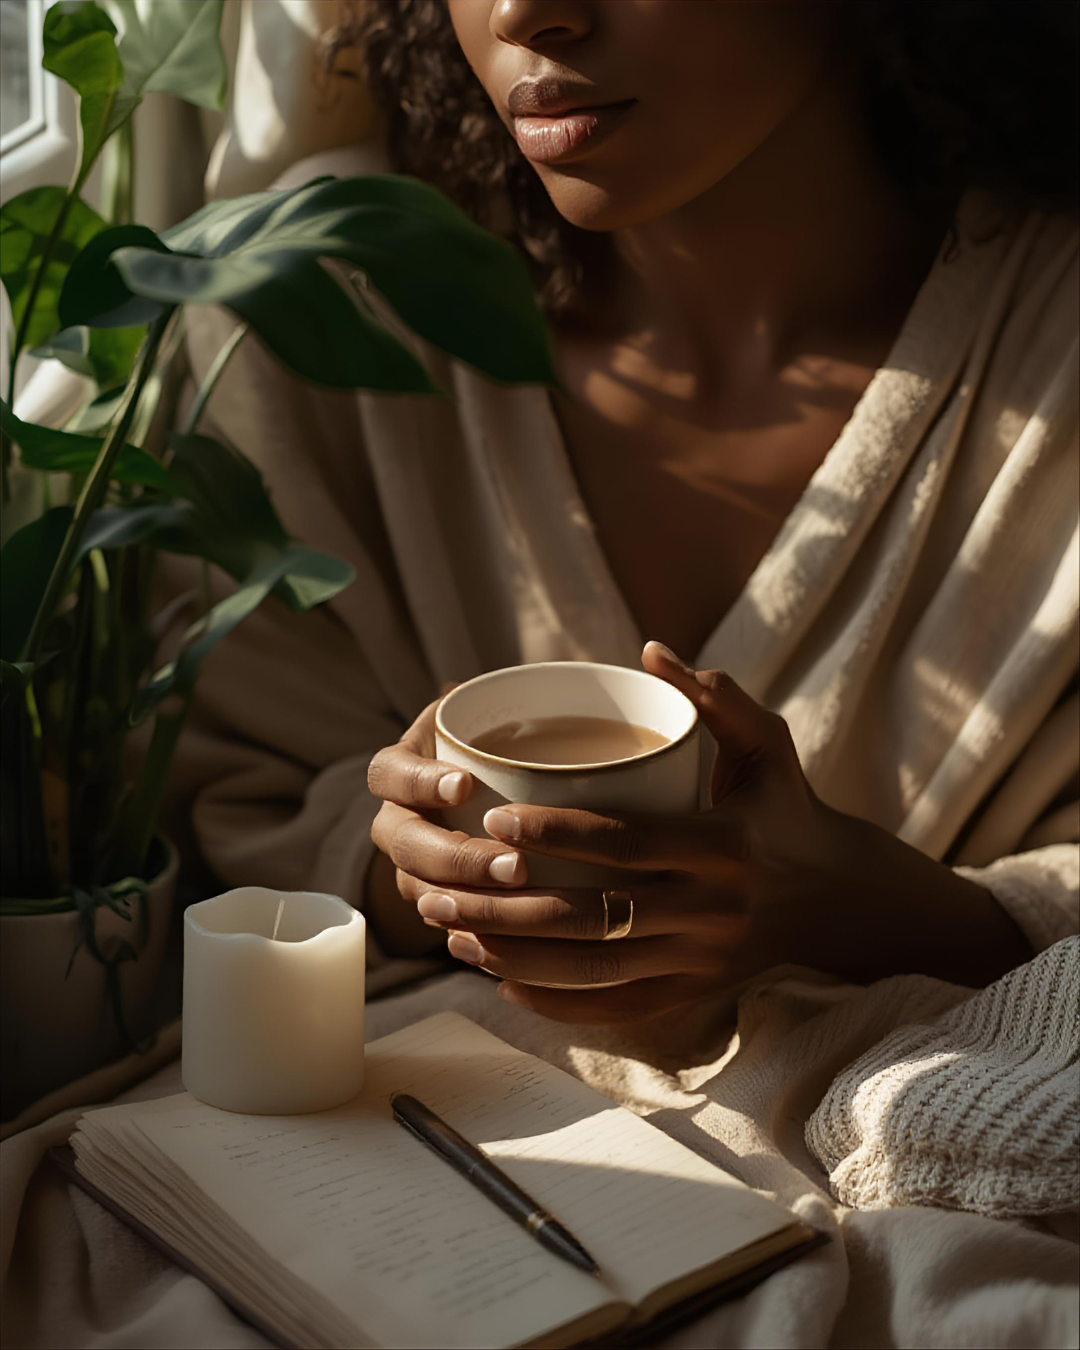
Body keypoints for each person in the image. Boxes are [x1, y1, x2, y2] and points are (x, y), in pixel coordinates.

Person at [170, 0, 1078, 1022]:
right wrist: (426, 865)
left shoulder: (1054, 355)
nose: (523, 13)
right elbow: (243, 795)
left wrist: (864, 909)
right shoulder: (325, 300)